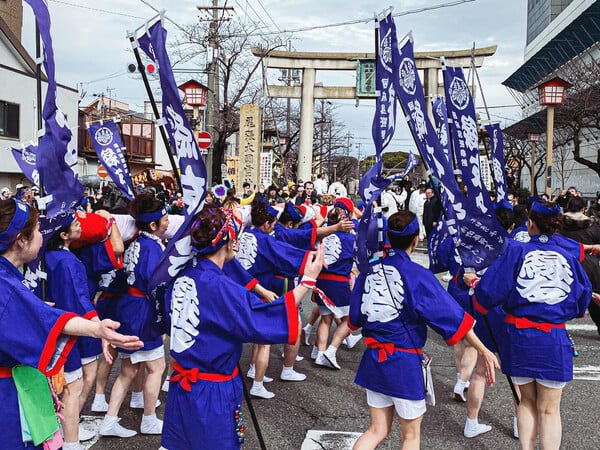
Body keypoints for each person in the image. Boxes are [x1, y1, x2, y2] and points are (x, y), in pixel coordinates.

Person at [161, 205, 325, 450]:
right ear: (227, 242)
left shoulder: (180, 277)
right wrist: (307, 282)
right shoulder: (219, 286)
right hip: (211, 390)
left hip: (181, 386)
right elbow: (260, 318)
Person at [0, 198, 143, 449]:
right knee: (74, 386)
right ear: (21, 240)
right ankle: (72, 439)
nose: (41, 236)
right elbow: (73, 302)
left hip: (32, 359)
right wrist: (96, 327)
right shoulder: (8, 285)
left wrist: (39, 310)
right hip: (7, 393)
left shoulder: (15, 274)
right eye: (36, 231)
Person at [349, 210, 498, 450]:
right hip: (404, 363)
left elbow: (354, 319)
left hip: (374, 359)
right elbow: (451, 317)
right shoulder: (417, 275)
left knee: (377, 430)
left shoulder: (370, 270)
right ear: (416, 239)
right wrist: (483, 349)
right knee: (410, 437)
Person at [464, 200, 592, 450]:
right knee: (550, 410)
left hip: (519, 336)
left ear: (530, 223)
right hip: (553, 338)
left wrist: (476, 285)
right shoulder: (567, 255)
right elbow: (581, 297)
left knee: (527, 402)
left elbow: (489, 292)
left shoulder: (516, 250)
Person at [99, 193, 168, 438]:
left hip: (129, 306)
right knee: (156, 366)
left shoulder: (137, 241)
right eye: (165, 218)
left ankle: (109, 420)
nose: (168, 222)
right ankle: (149, 419)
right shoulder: (151, 247)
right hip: (143, 311)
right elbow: (156, 283)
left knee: (128, 369)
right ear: (153, 225)